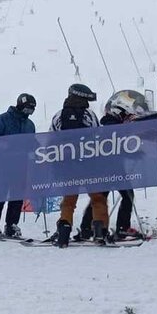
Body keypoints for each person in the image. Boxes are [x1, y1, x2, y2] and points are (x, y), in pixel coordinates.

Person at [76, 92, 149, 240]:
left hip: (105, 168)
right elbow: (116, 146)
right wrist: (133, 153)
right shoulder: (113, 126)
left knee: (100, 198)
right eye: (128, 115)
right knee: (126, 196)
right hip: (112, 168)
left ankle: (86, 228)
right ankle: (121, 227)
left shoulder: (109, 125)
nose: (130, 119)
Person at [52, 83, 108, 247]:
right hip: (90, 165)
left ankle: (64, 233)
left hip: (68, 166)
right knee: (98, 199)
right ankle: (99, 232)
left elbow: (51, 139)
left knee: (68, 202)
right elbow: (99, 136)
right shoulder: (89, 115)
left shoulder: (58, 116)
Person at [0, 93, 37, 239]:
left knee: (17, 195)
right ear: (20, 106)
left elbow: (33, 141)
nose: (29, 113)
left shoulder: (29, 124)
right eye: (27, 109)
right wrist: (5, 144)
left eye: (31, 111)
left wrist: (35, 147)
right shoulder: (3, 119)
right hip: (4, 163)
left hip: (21, 164)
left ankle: (11, 224)